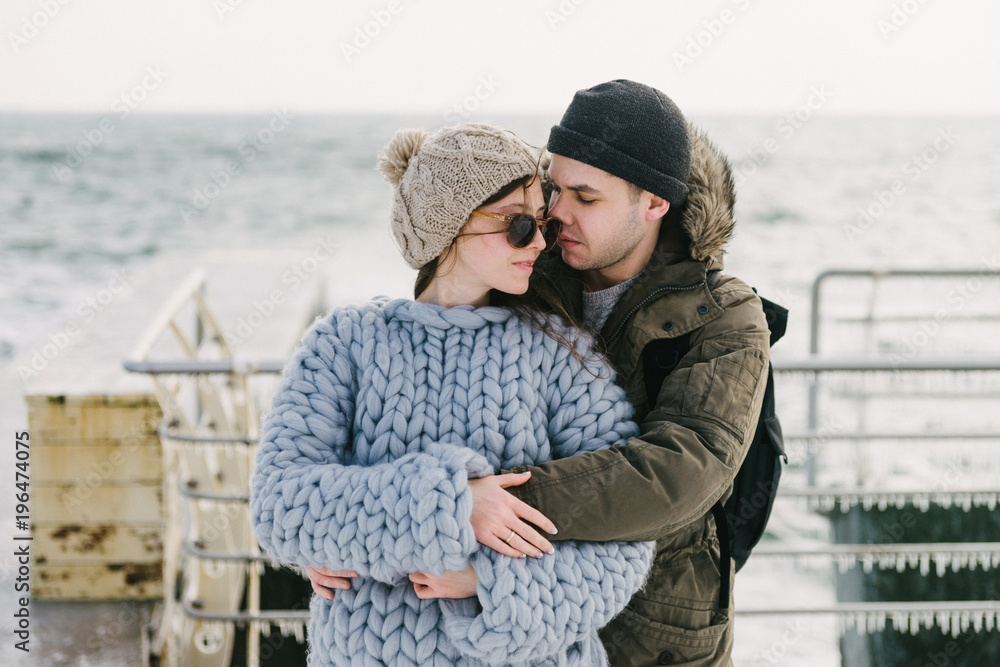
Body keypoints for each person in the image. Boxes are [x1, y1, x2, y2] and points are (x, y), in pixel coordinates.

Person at [250, 122, 654, 666]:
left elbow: (626, 529)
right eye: (516, 226)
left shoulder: (563, 357)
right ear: (451, 226)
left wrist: (487, 582)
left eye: (540, 224)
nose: (538, 242)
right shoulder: (343, 345)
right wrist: (457, 507)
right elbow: (279, 505)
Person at [470, 80, 773, 666]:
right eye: (555, 189)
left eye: (586, 197)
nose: (557, 214)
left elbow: (682, 470)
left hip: (655, 634)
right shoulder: (521, 275)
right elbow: (436, 373)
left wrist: (496, 504)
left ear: (655, 203)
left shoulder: (727, 315)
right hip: (522, 615)